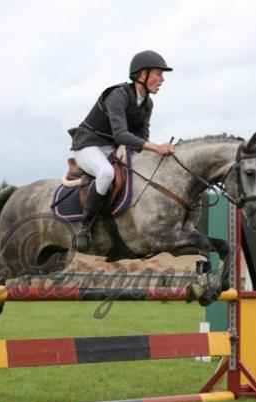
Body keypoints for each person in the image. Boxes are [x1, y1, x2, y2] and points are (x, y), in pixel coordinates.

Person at [68, 50, 176, 251]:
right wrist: (157, 147)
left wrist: (160, 154)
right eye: (158, 74)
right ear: (142, 74)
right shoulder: (118, 95)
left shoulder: (147, 103)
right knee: (106, 173)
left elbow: (141, 140)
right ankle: (84, 228)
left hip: (109, 151)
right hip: (87, 146)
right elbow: (121, 135)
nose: (162, 80)